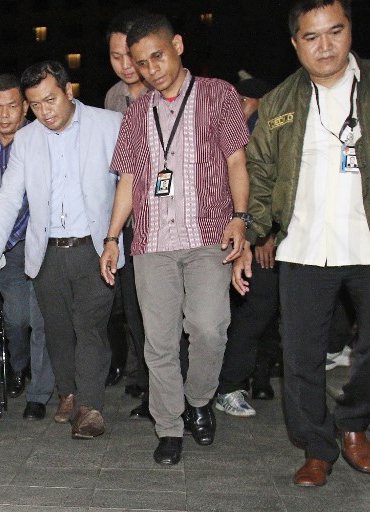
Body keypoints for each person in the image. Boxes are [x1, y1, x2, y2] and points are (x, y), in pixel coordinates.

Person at [101, 13, 250, 465]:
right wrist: (112, 238)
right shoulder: (135, 113)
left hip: (208, 235)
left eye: (158, 56)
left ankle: (199, 400)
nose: (152, 69)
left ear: (178, 45)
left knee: (209, 328)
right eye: (142, 63)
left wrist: (241, 218)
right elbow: (127, 180)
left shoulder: (218, 94)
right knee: (159, 341)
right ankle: (169, 425)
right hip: (151, 241)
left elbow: (237, 163)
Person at [233, 0, 370, 487]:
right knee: (302, 357)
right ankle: (317, 446)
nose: (325, 46)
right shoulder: (278, 103)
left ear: (350, 30)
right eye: (312, 37)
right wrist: (251, 233)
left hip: (366, 242)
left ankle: (353, 421)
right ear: (296, 43)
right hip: (305, 248)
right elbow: (262, 178)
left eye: (335, 31)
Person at [0, 60, 124, 440]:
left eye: (51, 100)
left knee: (90, 327)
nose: (46, 111)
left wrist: (115, 238)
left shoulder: (108, 125)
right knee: (57, 330)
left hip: (94, 247)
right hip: (46, 252)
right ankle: (69, 393)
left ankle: (90, 407)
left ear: (69, 91)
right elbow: (8, 197)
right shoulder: (27, 139)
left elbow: (129, 183)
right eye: (36, 105)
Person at [0, 74, 55, 420]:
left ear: (25, 107)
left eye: (12, 106)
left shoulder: (42, 140)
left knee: (41, 319)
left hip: (36, 240)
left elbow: (24, 202)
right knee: (16, 317)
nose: (5, 114)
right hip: (1, 245)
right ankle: (17, 365)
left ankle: (39, 393)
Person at [214, 77, 278, 417]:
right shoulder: (217, 130)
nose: (236, 108)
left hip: (256, 236)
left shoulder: (266, 134)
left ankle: (231, 385)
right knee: (211, 319)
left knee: (258, 307)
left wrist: (264, 235)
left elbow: (270, 189)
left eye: (242, 101)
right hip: (213, 237)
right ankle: (208, 387)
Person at [104, 9, 152, 421]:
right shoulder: (112, 98)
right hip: (129, 223)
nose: (125, 65)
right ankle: (141, 379)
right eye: (116, 56)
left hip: (170, 221)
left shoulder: (164, 91)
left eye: (130, 56)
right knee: (133, 308)